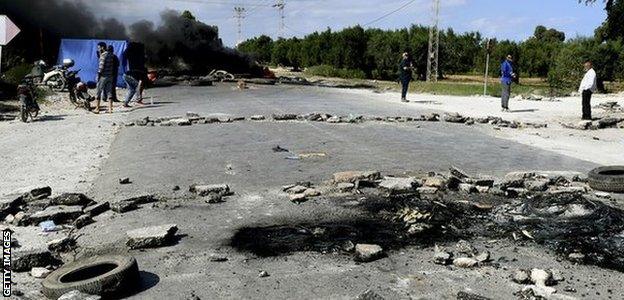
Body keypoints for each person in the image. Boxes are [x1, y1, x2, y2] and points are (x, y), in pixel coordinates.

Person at [94, 42, 116, 114]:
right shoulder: (111, 55)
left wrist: (98, 75)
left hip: (103, 76)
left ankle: (97, 108)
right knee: (109, 92)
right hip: (110, 76)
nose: (98, 49)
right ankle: (110, 109)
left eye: (99, 47)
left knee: (98, 92)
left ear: (102, 47)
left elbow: (101, 67)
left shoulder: (103, 55)